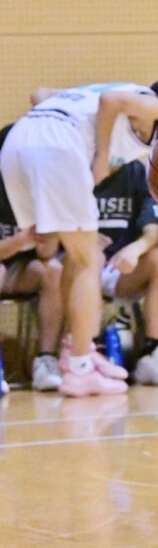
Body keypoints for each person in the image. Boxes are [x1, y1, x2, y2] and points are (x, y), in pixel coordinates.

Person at [0, 80, 158, 397]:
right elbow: (110, 100)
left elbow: (41, 94)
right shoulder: (153, 105)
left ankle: (78, 349)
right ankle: (81, 367)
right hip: (57, 147)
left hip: (17, 144)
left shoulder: (89, 102)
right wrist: (101, 157)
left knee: (73, 255)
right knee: (91, 258)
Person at [94, 159, 158, 386]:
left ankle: (153, 355)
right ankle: (84, 355)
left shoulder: (138, 172)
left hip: (121, 270)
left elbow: (152, 233)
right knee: (88, 260)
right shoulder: (77, 166)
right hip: (80, 265)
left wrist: (135, 249)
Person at [0, 127, 64, 391]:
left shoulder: (43, 187)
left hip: (20, 270)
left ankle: (46, 360)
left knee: (52, 270)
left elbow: (45, 254)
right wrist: (21, 240)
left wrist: (50, 233)